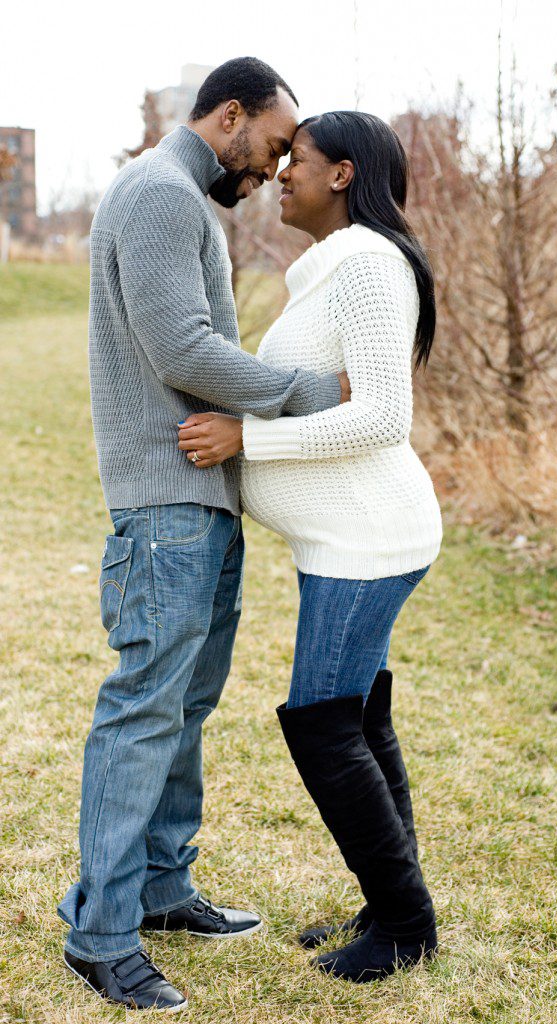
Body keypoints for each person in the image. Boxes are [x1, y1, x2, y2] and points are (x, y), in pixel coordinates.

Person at [58, 59, 351, 1012]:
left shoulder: (185, 201)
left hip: (200, 500)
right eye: (270, 145)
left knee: (183, 708)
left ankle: (160, 887)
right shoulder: (157, 194)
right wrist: (308, 395)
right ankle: (99, 935)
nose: (272, 169)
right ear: (229, 116)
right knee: (145, 708)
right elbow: (181, 348)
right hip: (164, 504)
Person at [176, 110, 442, 983]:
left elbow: (379, 415)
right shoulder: (332, 268)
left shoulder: (367, 264)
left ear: (343, 175)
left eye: (298, 159)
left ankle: (404, 924)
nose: (280, 172)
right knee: (357, 718)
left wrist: (250, 441)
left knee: (325, 722)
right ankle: (389, 904)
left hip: (368, 537)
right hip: (346, 535)